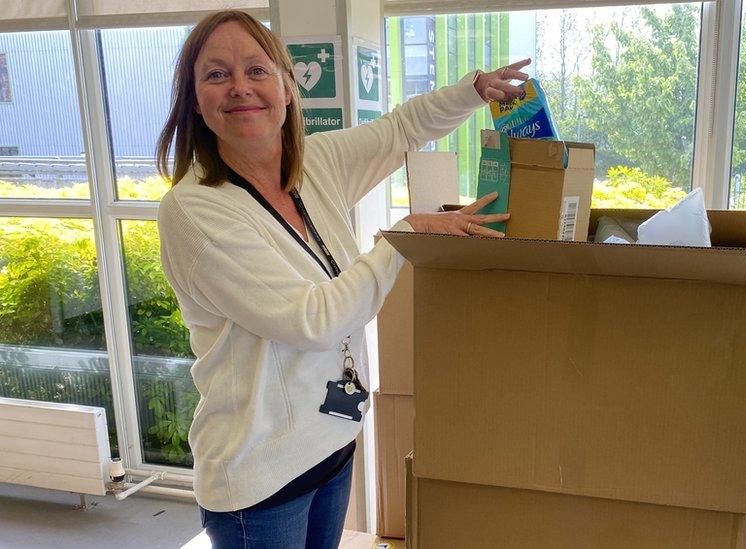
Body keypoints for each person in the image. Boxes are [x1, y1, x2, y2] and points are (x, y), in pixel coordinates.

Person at [155, 9, 528, 548]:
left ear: (287, 85)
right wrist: (402, 238)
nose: (240, 88)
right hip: (260, 480)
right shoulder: (193, 210)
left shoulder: (314, 165)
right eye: (216, 74)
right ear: (195, 100)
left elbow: (400, 129)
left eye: (256, 70)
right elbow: (313, 320)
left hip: (331, 444)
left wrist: (473, 90)